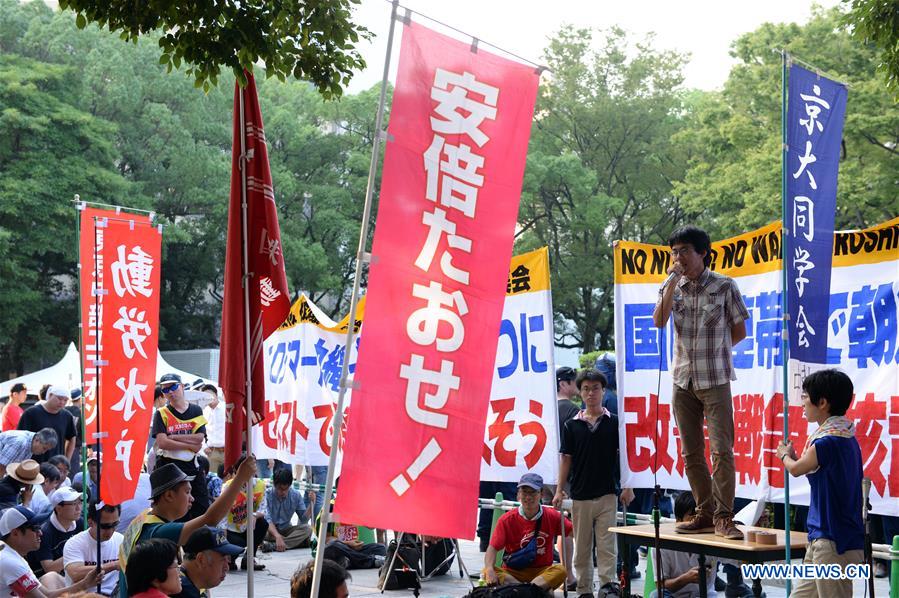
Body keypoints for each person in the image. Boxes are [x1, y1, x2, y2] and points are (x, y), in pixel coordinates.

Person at [652, 226, 749, 540]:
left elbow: (739, 331)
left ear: (703, 252)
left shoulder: (723, 286)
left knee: (722, 451)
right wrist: (669, 283)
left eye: (684, 250)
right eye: (674, 251)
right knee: (690, 453)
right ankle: (704, 512)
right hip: (682, 379)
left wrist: (716, 353)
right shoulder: (672, 286)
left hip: (715, 379)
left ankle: (724, 517)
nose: (678, 257)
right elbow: (659, 320)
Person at [776, 369, 864, 598]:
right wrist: (794, 458)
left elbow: (796, 469)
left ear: (822, 402)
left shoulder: (826, 442)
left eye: (805, 397)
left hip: (832, 541)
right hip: (826, 538)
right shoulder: (847, 437)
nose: (802, 403)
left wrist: (784, 455)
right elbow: (806, 465)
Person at [117, 456, 257, 597]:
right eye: (187, 492)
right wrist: (240, 479)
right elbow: (210, 520)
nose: (192, 498)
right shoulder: (157, 531)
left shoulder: (143, 519)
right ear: (169, 495)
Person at [553, 369, 633, 598]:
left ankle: (608, 589)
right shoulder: (572, 425)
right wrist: (560, 491)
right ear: (580, 392)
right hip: (580, 495)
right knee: (582, 549)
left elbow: (625, 456)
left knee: (608, 548)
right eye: (586, 388)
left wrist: (629, 486)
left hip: (608, 493)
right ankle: (584, 590)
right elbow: (566, 459)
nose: (590, 393)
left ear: (603, 391)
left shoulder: (614, 423)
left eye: (595, 388)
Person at [486, 473, 574, 592]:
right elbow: (492, 548)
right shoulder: (506, 519)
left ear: (541, 494)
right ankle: (532, 591)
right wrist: (489, 570)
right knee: (488, 570)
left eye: (533, 492)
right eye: (524, 492)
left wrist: (570, 509)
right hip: (513, 572)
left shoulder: (552, 516)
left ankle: (521, 591)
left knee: (561, 571)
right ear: (518, 494)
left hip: (541, 572)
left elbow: (574, 532)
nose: (528, 497)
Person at [0, 505, 102, 598]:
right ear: (15, 533)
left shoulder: (13, 556)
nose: (40, 532)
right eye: (35, 528)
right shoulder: (9, 561)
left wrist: (85, 584)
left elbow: (48, 594)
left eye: (39, 527)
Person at [151, 373, 209, 522]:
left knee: (201, 508)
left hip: (193, 468)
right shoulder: (161, 413)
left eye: (174, 387)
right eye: (165, 390)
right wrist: (191, 445)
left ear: (182, 387)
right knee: (175, 512)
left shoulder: (196, 410)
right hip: (171, 468)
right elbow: (163, 442)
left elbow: (200, 438)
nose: (170, 392)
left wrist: (175, 437)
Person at [650, 491, 717, 598]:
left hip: (705, 595)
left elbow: (738, 560)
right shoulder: (663, 543)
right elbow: (660, 584)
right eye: (693, 518)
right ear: (678, 520)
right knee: (656, 595)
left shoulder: (713, 541)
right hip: (675, 596)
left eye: (703, 518)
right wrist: (686, 578)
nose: (698, 524)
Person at [220, 456, 271, 570]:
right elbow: (222, 517)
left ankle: (249, 558)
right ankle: (229, 559)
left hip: (248, 525)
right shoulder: (228, 487)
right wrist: (224, 546)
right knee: (236, 546)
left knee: (262, 523)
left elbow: (263, 510)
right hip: (231, 530)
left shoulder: (260, 485)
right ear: (237, 472)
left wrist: (254, 515)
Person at [63, 502, 124, 597]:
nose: (111, 530)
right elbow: (75, 573)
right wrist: (114, 565)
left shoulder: (121, 540)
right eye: (105, 526)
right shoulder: (74, 543)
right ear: (90, 522)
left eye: (115, 524)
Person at [172, 527, 243, 598]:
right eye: (222, 560)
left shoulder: (193, 583)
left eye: (228, 559)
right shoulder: (183, 591)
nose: (226, 568)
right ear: (201, 560)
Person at [29, 486, 84, 576]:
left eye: (80, 502)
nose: (78, 508)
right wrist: (75, 552)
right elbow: (49, 568)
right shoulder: (44, 531)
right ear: (58, 508)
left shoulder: (81, 523)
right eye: (74, 504)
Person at [17, 386, 77, 466]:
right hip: (32, 464)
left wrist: (67, 460)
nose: (62, 402)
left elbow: (72, 437)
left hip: (56, 465)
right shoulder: (31, 413)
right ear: (50, 395)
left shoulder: (67, 416)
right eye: (59, 398)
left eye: (65, 400)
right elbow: (21, 438)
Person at [263, 467, 313, 551]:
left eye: (286, 489)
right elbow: (267, 520)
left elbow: (304, 519)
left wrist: (312, 505)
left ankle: (274, 545)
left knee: (308, 529)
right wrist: (277, 536)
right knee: (259, 530)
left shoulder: (295, 495)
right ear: (274, 485)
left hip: (286, 530)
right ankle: (293, 543)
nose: (283, 492)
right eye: (280, 489)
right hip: (270, 531)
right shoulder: (266, 495)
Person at [199, 385, 225, 479]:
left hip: (227, 450)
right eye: (206, 395)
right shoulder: (203, 411)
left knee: (229, 480)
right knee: (213, 480)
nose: (209, 397)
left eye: (211, 394)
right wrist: (204, 446)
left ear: (216, 395)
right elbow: (199, 430)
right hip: (212, 452)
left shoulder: (225, 408)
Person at [556, 366, 580, 432]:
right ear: (562, 384)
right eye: (575, 381)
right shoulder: (573, 410)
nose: (578, 384)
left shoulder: (549, 407)